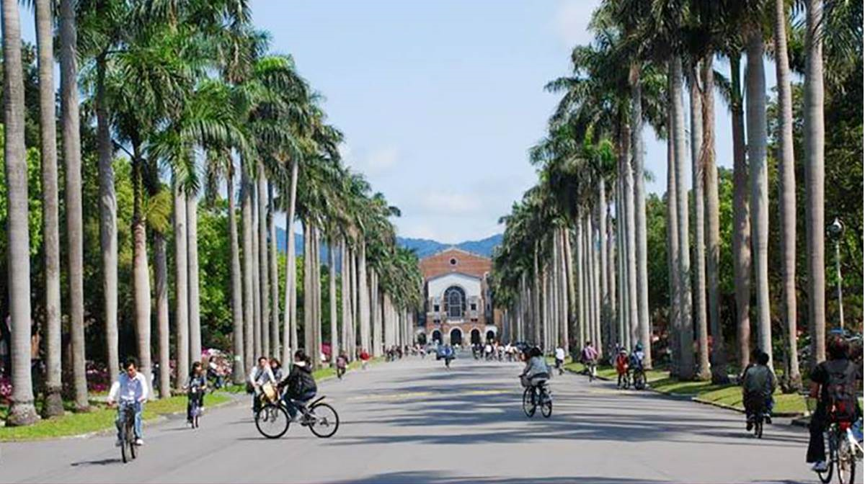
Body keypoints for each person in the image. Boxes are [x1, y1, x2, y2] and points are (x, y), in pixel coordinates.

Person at [807, 336, 861, 473]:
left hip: (828, 409)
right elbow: (856, 388)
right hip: (849, 409)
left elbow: (814, 391)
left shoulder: (822, 367)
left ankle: (820, 460)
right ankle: (855, 440)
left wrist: (812, 401)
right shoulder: (854, 368)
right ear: (847, 350)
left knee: (816, 427)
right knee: (857, 418)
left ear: (829, 351)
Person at [108, 357, 149, 447]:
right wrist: (110, 397)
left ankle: (138, 437)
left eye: (131, 370)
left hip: (136, 401)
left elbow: (145, 388)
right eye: (127, 370)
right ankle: (121, 437)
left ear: (136, 368)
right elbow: (116, 386)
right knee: (118, 420)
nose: (129, 372)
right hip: (124, 401)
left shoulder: (140, 377)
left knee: (137, 416)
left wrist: (143, 397)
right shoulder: (122, 377)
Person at [278, 350, 318, 424]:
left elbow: (291, 377)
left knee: (286, 397)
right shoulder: (306, 365)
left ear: (298, 358)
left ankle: (294, 415)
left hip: (304, 390)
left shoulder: (297, 366)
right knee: (299, 402)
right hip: (312, 389)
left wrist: (281, 384)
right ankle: (308, 416)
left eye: (295, 357)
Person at [741, 350, 776, 430]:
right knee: (770, 402)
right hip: (765, 394)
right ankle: (767, 413)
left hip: (752, 393)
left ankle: (750, 415)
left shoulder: (750, 370)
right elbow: (773, 382)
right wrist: (771, 391)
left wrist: (745, 391)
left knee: (747, 403)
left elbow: (746, 382)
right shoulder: (768, 371)